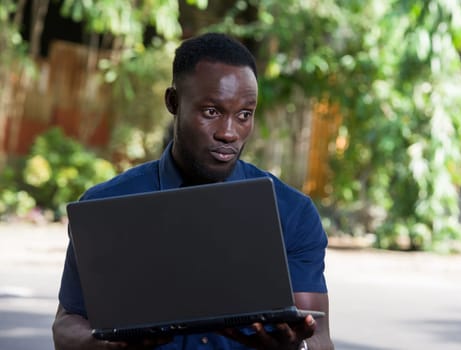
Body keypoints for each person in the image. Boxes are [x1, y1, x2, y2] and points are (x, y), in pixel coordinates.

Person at [52, 32, 334, 350]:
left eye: (244, 115)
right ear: (173, 102)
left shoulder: (292, 213)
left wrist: (296, 347)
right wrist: (110, 347)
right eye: (211, 112)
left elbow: (320, 336)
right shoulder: (105, 206)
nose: (229, 133)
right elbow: (66, 324)